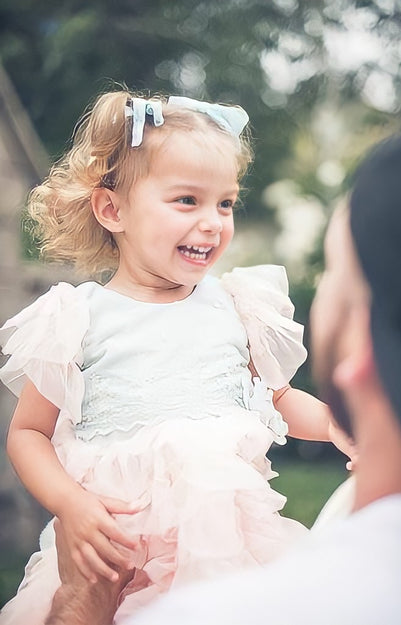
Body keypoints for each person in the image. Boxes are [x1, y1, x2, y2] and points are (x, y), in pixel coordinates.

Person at [0, 90, 349, 624]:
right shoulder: (77, 318)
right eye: (187, 200)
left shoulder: (236, 306)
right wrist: (70, 503)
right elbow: (29, 434)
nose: (213, 222)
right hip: (116, 551)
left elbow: (277, 399)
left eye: (225, 203)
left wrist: (344, 425)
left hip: (228, 546)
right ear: (113, 209)